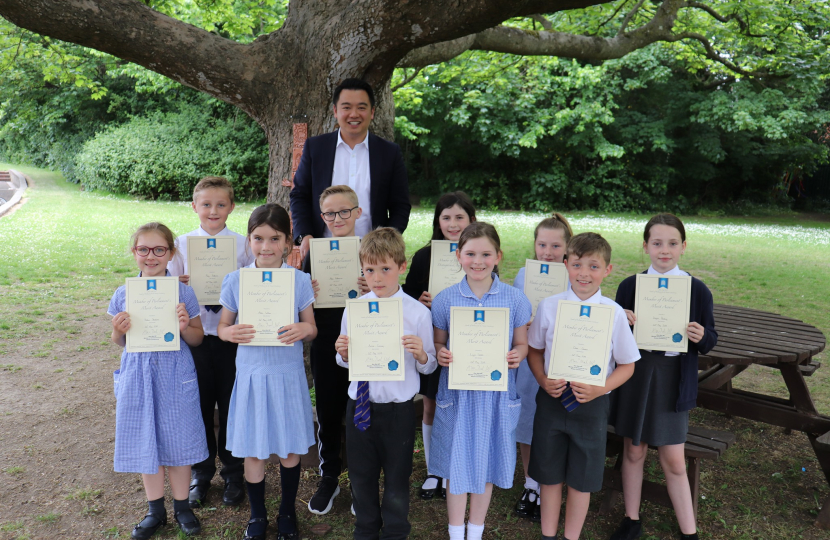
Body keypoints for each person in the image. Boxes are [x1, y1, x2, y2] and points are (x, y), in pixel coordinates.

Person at [608, 214, 717, 540]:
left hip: (673, 379)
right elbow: (609, 340)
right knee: (634, 450)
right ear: (646, 247)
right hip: (637, 376)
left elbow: (711, 338)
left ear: (683, 247)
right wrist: (621, 321)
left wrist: (700, 335)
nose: (664, 250)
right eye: (657, 243)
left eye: (672, 243)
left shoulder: (697, 290)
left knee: (674, 459)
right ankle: (631, 519)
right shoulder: (630, 286)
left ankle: (689, 531)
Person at [527, 232, 640, 540]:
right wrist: (541, 379)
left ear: (607, 270)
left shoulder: (614, 313)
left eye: (593, 266)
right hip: (551, 401)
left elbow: (627, 364)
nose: (584, 273)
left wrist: (601, 388)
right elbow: (535, 350)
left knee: (582, 479)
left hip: (591, 405)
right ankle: (549, 535)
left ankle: (571, 537)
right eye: (577, 265)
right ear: (566, 265)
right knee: (549, 477)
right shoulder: (550, 307)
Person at [217, 204, 317, 540]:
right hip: (252, 375)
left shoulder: (299, 281)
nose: (266, 246)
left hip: (287, 375)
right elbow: (222, 326)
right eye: (258, 238)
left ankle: (287, 512)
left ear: (288, 242)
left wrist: (303, 331)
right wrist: (230, 334)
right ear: (249, 240)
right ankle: (257, 517)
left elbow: (312, 327)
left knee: (289, 450)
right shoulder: (236, 280)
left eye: (275, 238)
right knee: (255, 449)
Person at [430, 222, 532, 540]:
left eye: (486, 254)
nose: (478, 261)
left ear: (498, 256)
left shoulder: (515, 300)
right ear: (458, 255)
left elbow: (523, 343)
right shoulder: (445, 300)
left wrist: (518, 354)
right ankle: (455, 532)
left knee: (487, 462)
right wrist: (441, 353)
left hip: (496, 396)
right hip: (458, 396)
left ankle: (476, 530)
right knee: (457, 466)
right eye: (471, 253)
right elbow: (437, 344)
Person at [334, 227, 438, 539]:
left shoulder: (417, 313)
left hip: (398, 410)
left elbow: (431, 363)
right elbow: (344, 362)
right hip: (361, 407)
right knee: (361, 475)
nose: (377, 277)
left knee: (397, 476)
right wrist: (343, 353)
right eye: (369, 269)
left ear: (401, 267)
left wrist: (421, 353)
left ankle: (395, 531)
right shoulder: (355, 309)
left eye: (385, 269)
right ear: (362, 269)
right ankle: (365, 528)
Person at [108, 222, 207, 539]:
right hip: (139, 374)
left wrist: (182, 326)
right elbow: (119, 341)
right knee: (145, 439)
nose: (151, 256)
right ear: (134, 252)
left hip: (175, 374)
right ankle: (155, 510)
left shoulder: (183, 292)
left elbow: (197, 338)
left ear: (171, 253)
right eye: (143, 249)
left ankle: (182, 507)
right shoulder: (123, 294)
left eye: (159, 250)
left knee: (178, 440)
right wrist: (117, 331)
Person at [167, 176, 254, 508]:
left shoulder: (244, 245)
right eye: (206, 204)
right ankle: (201, 474)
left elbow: (258, 283)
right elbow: (165, 285)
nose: (213, 210)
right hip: (196, 339)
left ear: (232, 207)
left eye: (221, 204)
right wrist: (179, 283)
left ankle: (233, 472)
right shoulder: (182, 244)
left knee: (231, 405)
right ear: (194, 207)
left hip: (232, 338)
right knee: (200, 406)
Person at [401, 191, 476, 501]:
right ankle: (434, 469)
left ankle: (460, 463)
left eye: (460, 217)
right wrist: (419, 301)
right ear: (437, 221)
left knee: (461, 405)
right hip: (435, 342)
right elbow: (405, 297)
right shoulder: (424, 256)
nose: (453, 223)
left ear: (472, 220)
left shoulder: (479, 254)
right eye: (446, 217)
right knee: (431, 404)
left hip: (470, 344)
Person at [289, 77, 411, 264]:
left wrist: (386, 241)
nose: (354, 114)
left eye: (361, 107)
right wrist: (304, 235)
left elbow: (401, 205)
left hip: (373, 255)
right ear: (335, 111)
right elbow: (299, 195)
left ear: (372, 112)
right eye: (346, 107)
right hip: (322, 250)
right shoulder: (316, 147)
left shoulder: (389, 152)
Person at [302, 185, 366, 514]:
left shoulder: (370, 248)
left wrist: (373, 287)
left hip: (366, 338)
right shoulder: (314, 250)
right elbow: (300, 301)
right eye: (329, 213)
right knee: (328, 408)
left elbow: (392, 290)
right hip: (326, 337)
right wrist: (307, 290)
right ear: (322, 216)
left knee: (360, 411)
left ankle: (360, 480)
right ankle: (329, 478)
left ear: (358, 212)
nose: (337, 218)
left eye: (344, 211)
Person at [511, 213, 573, 521]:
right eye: (542, 244)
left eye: (555, 245)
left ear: (567, 248)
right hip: (529, 362)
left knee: (555, 424)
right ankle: (531, 484)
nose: (547, 252)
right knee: (527, 422)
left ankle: (552, 484)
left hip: (561, 362)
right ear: (534, 245)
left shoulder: (574, 274)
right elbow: (513, 313)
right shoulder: (524, 275)